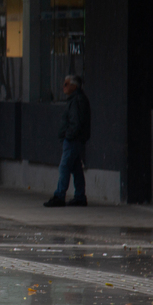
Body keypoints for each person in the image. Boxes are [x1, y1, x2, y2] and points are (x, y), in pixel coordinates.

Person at [44, 75, 91, 207]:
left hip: (73, 140)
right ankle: (80, 196)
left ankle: (60, 195)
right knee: (76, 168)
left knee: (65, 166)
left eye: (66, 84)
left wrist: (68, 135)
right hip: (75, 139)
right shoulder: (77, 100)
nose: (63, 87)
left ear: (74, 86)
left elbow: (76, 122)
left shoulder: (76, 100)